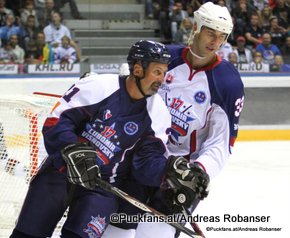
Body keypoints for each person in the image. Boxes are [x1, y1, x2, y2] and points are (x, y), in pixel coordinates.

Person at [10, 40, 202, 238]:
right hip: (60, 172)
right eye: (157, 72)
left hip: (101, 189)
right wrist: (72, 148)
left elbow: (146, 161)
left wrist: (169, 172)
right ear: (138, 69)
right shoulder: (98, 86)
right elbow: (56, 121)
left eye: (164, 73)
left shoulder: (158, 113)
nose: (162, 79)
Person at [104, 2, 245, 238]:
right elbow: (128, 90)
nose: (215, 42)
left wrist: (198, 171)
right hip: (138, 160)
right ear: (196, 28)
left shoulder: (227, 84)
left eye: (222, 37)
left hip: (178, 176)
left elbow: (221, 142)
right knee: (115, 232)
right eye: (210, 33)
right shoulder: (164, 57)